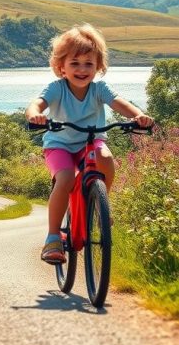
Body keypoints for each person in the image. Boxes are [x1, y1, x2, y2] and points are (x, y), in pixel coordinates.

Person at [25, 23, 153, 264]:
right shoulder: (57, 89)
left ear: (98, 67)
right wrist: (35, 115)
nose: (82, 69)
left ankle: (101, 203)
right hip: (59, 145)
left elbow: (120, 103)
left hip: (90, 143)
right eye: (74, 63)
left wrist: (138, 115)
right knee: (65, 179)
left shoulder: (99, 89)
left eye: (88, 64)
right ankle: (53, 237)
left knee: (105, 158)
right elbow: (36, 104)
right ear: (61, 67)